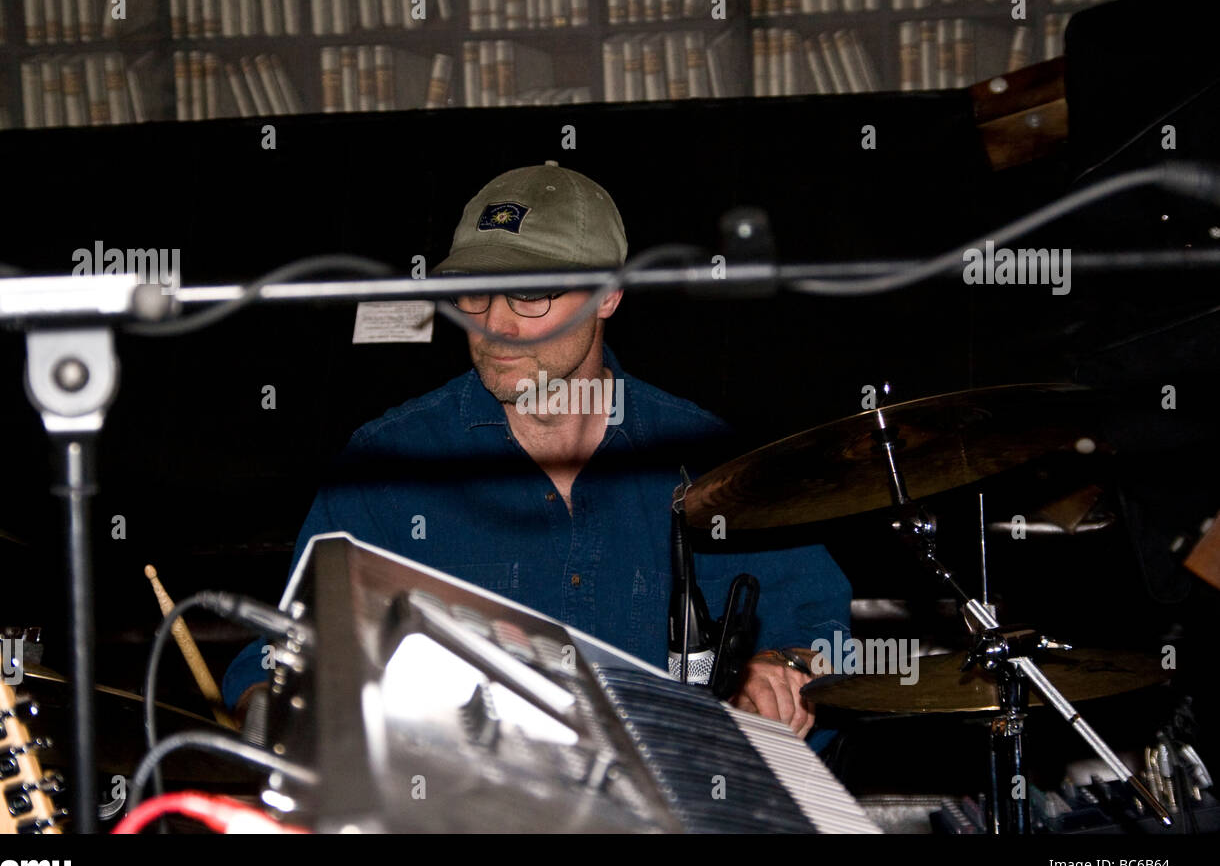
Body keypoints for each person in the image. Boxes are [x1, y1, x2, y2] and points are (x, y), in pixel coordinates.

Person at [222, 161, 852, 749]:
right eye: (476, 293)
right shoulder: (389, 464)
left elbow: (825, 640)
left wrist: (783, 669)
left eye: (530, 294)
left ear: (608, 296)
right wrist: (276, 709)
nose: (495, 323)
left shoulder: (707, 460)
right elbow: (278, 657)